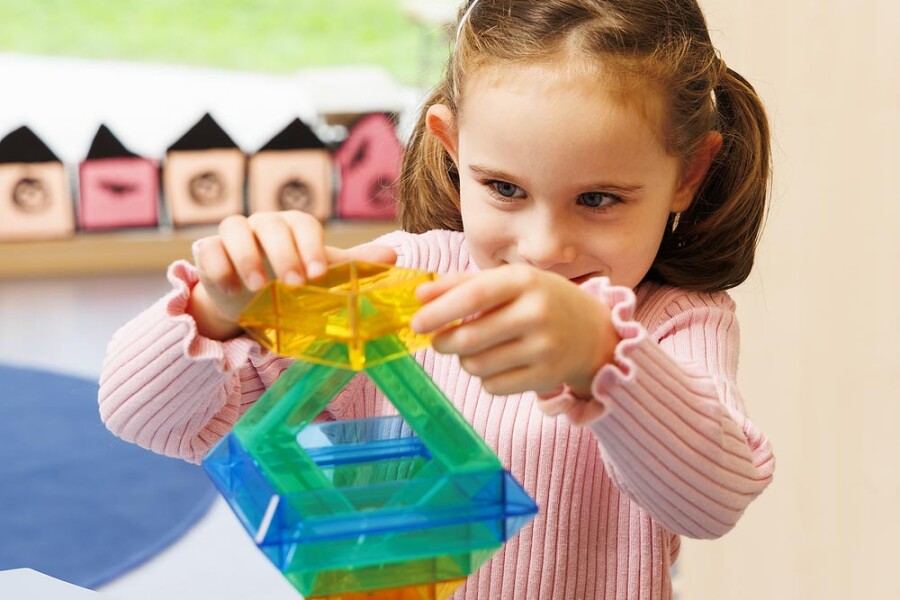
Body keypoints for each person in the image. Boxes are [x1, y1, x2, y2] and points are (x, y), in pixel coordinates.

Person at [99, 1, 776, 598]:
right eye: (504, 189)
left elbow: (711, 502)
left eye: (598, 199)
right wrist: (219, 311)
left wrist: (600, 354)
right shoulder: (402, 277)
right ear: (452, 147)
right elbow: (146, 420)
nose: (543, 249)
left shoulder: (675, 323)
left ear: (688, 174)